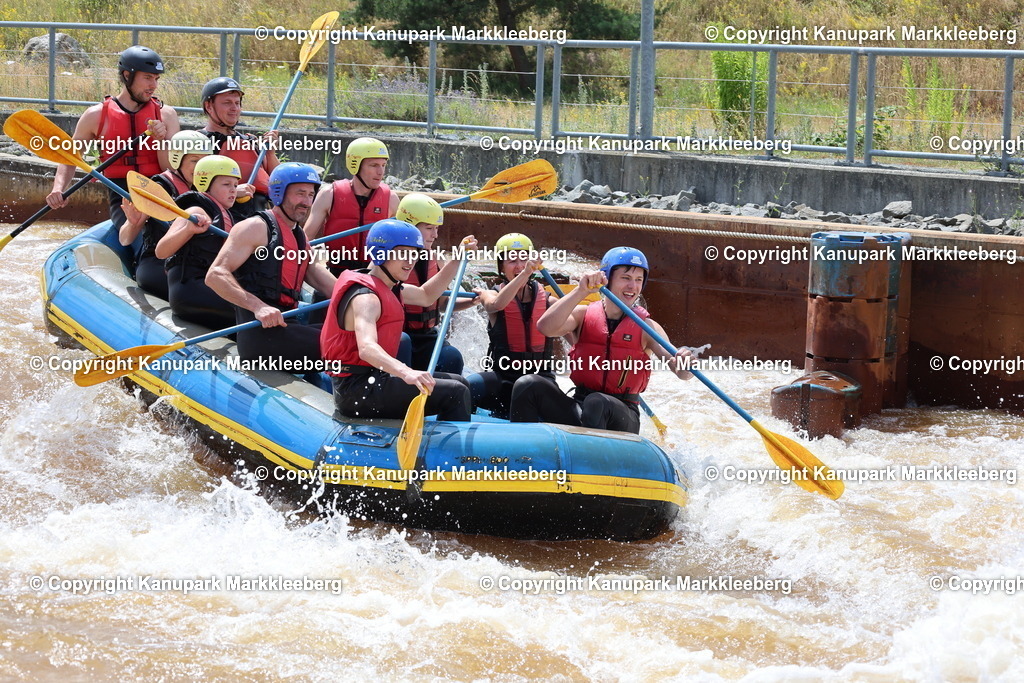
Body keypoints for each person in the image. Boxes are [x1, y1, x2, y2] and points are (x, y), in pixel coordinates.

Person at [509, 247, 693, 434]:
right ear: (606, 278)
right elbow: (545, 327)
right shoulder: (583, 315)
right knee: (528, 384)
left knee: (597, 402)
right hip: (581, 406)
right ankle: (523, 454)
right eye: (626, 278)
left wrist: (684, 362)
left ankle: (593, 460)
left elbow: (682, 373)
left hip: (622, 414)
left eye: (638, 280)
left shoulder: (648, 327)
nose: (633, 286)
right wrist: (581, 291)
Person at [321, 219, 474, 422]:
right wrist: (406, 372)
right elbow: (366, 348)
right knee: (455, 392)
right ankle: (452, 453)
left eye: (414, 254)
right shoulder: (366, 298)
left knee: (459, 381)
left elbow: (426, 295)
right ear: (381, 253)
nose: (410, 261)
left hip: (374, 379)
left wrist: (456, 260)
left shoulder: (388, 286)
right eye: (403, 254)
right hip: (357, 391)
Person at [206, 162, 337, 366]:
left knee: (356, 334)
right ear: (279, 193)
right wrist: (258, 307)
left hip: (287, 326)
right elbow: (215, 275)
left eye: (311, 195)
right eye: (300, 193)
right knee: (350, 346)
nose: (306, 201)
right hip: (261, 336)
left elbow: (317, 275)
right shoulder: (254, 227)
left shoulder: (298, 234)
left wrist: (358, 295)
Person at [46, 45, 179, 228]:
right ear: (127, 75)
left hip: (160, 189)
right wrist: (58, 188)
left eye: (156, 79)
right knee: (140, 236)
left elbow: (171, 169)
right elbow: (70, 158)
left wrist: (161, 141)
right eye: (147, 78)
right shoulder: (96, 115)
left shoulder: (166, 115)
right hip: (122, 193)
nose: (153, 86)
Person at [467, 233, 558, 419]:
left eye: (524, 259)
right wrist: (525, 274)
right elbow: (496, 305)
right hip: (503, 377)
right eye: (512, 260)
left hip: (539, 379)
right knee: (466, 388)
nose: (519, 265)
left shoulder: (550, 301)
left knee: (531, 388)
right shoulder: (490, 295)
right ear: (501, 267)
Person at [119, 129, 214, 299]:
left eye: (205, 161)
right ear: (177, 159)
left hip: (192, 264)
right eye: (194, 160)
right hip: (157, 264)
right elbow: (125, 239)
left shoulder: (209, 187)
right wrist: (134, 223)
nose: (200, 167)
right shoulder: (160, 188)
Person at [393, 193, 477, 374]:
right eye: (429, 228)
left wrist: (472, 301)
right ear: (410, 227)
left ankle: (440, 397)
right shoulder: (389, 261)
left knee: (452, 357)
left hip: (427, 337)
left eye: (437, 228)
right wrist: (457, 259)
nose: (435, 235)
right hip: (396, 336)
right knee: (403, 343)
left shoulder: (436, 259)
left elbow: (442, 303)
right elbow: (423, 296)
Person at [156, 154, 239, 329]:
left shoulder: (226, 215)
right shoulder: (194, 209)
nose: (233, 190)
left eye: (235, 185)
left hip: (210, 287)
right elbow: (161, 251)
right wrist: (188, 229)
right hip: (189, 290)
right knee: (249, 309)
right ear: (205, 183)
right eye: (226, 184)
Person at [303, 137, 399, 275]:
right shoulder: (329, 194)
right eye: (374, 165)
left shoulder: (391, 198)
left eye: (383, 165)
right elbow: (306, 239)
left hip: (374, 274)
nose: (381, 172)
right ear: (356, 165)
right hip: (337, 273)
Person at [198, 77, 279, 221]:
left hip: (261, 216)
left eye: (237, 103)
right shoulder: (198, 141)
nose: (234, 108)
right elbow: (193, 190)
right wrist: (234, 192)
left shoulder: (251, 141)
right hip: (223, 217)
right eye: (227, 103)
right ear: (209, 106)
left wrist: (271, 152)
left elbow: (278, 180)